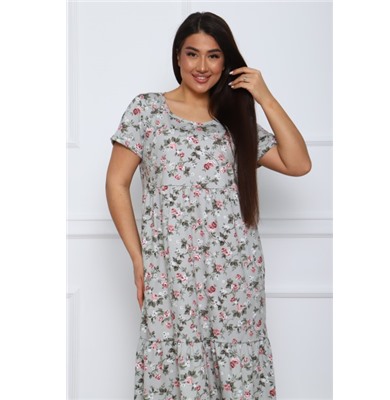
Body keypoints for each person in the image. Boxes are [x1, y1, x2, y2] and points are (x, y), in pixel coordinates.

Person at [106, 11, 311, 400]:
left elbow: (299, 163)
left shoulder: (234, 119)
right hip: (171, 271)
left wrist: (264, 96)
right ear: (178, 57)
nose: (202, 66)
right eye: (192, 54)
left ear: (226, 61)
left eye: (214, 55)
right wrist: (138, 259)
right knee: (171, 361)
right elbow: (117, 183)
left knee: (237, 367)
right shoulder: (146, 110)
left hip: (234, 274)